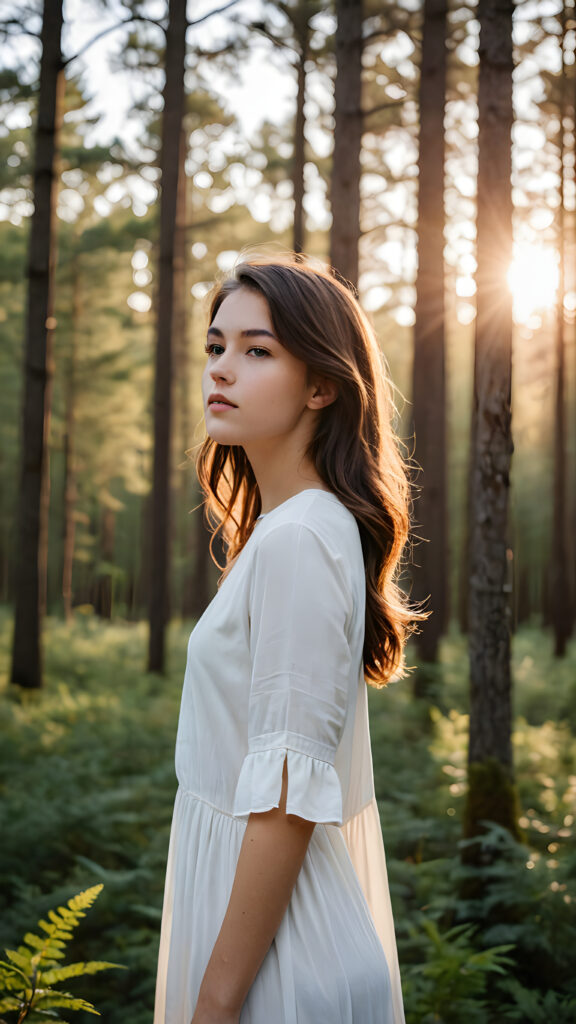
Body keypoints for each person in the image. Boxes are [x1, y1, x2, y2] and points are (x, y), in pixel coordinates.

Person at [153, 254, 426, 1024]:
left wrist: (214, 1003)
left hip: (280, 967)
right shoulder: (288, 531)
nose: (221, 369)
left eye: (257, 350)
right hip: (260, 941)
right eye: (216, 346)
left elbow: (285, 802)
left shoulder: (301, 538)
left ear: (320, 385)